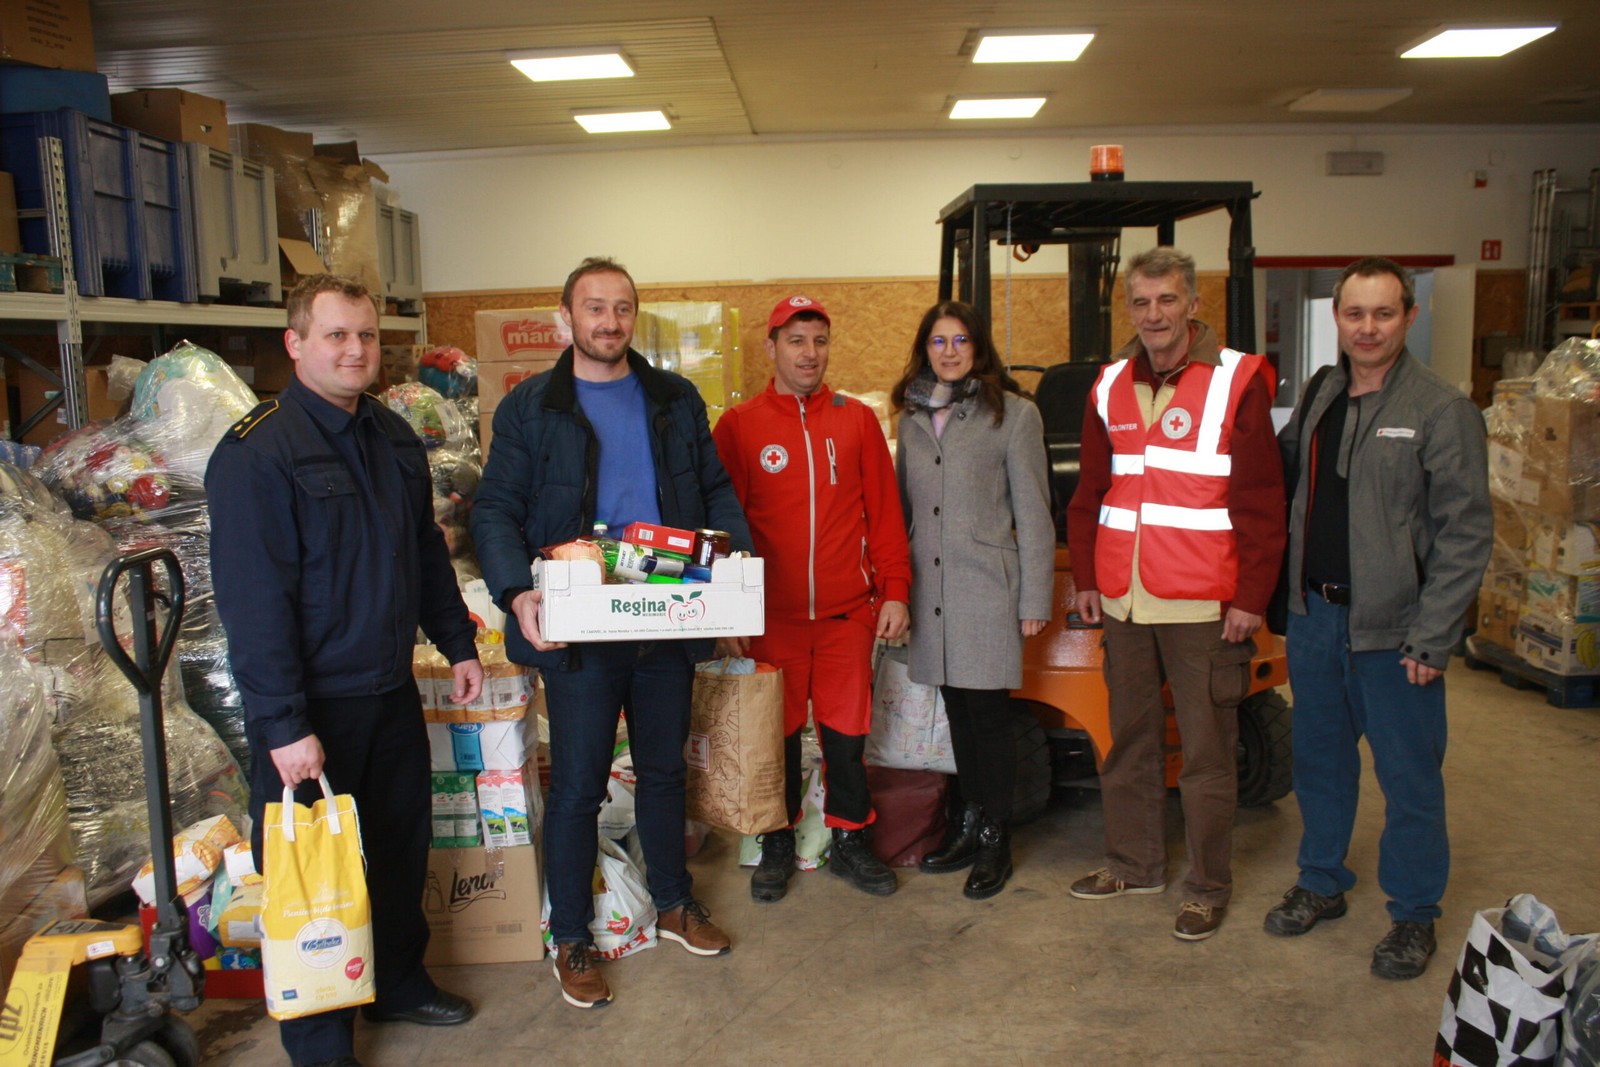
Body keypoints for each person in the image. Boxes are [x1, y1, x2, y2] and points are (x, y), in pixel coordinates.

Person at [207, 274, 484, 1067]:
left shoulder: (393, 436)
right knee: (311, 875)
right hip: (309, 707)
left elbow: (424, 551)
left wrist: (457, 643)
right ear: (295, 344)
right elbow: (254, 604)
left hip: (389, 689)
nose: (355, 349)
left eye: (365, 335)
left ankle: (397, 980)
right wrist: (284, 725)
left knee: (398, 848)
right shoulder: (258, 451)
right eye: (336, 335)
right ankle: (320, 1035)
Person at [471, 257, 751, 1009]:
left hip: (667, 617)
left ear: (635, 317)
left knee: (663, 770)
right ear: (567, 317)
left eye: (622, 308)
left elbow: (716, 489)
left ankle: (672, 902)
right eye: (594, 308)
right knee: (579, 788)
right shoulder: (532, 407)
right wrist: (516, 589)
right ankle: (571, 935)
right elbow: (494, 506)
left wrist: (734, 572)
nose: (609, 321)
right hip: (581, 628)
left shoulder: (673, 398)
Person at [1264, 257, 1491, 980]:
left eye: (1384, 313)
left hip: (1394, 632)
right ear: (1337, 316)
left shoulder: (1439, 408)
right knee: (1321, 763)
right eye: (1355, 313)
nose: (1368, 327)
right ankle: (1322, 879)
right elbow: (1281, 473)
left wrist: (1435, 634)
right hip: (1316, 618)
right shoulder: (1325, 390)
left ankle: (1414, 913)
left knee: (1409, 776)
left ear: (1409, 317)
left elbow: (1464, 532)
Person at [1065, 246, 1285, 941]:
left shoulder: (1236, 379)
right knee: (1129, 738)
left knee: (1206, 750)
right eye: (1141, 301)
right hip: (1125, 601)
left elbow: (1259, 500)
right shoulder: (1108, 384)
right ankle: (1134, 863)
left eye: (1167, 299)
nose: (1153, 314)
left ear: (1193, 304)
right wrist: (1088, 577)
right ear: (1127, 308)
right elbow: (1091, 492)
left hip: (1203, 603)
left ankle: (1207, 884)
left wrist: (1252, 594)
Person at [711, 295, 912, 901]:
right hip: (771, 620)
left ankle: (851, 840)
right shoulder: (740, 426)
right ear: (771, 347)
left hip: (847, 616)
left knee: (846, 736)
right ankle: (775, 842)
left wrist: (895, 592)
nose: (810, 353)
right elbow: (722, 530)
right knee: (773, 738)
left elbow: (884, 517)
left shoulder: (855, 421)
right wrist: (727, 613)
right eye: (796, 340)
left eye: (820, 341)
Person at [890, 300, 1054, 899]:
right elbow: (903, 512)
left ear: (979, 348)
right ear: (925, 349)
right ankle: (969, 822)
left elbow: (1035, 515)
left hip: (986, 589)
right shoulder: (911, 417)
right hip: (930, 591)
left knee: (988, 718)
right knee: (956, 715)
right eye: (938, 341)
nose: (950, 351)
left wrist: (1034, 595)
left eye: (961, 340)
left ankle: (995, 839)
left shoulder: (1014, 415)